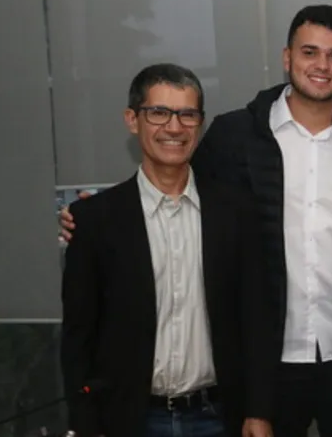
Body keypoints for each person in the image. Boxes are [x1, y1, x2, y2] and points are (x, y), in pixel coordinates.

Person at [60, 5, 332, 437]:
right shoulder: (234, 135)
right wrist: (97, 214)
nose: (322, 65)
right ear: (287, 57)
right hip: (265, 363)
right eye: (310, 52)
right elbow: (171, 179)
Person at [60, 63, 277, 437]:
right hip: (131, 420)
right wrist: (85, 423)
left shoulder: (236, 211)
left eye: (187, 115)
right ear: (133, 120)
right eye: (159, 113)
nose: (174, 127)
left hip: (218, 416)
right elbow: (78, 336)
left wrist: (259, 411)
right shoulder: (95, 220)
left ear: (200, 124)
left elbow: (255, 318)